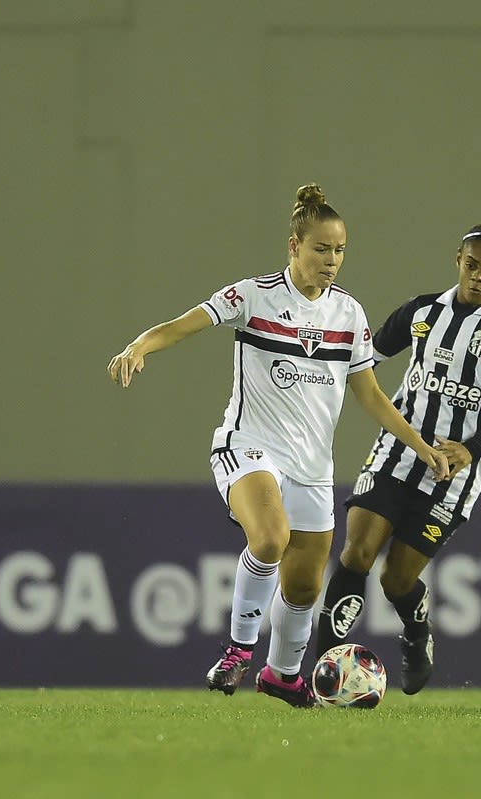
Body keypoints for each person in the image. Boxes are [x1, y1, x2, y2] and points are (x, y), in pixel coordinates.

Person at [106, 184, 449, 708]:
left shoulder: (349, 316)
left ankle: (282, 676)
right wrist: (139, 345)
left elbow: (371, 395)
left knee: (306, 589)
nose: (331, 261)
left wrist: (421, 446)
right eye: (320, 249)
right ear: (294, 246)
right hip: (249, 446)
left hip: (312, 466)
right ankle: (237, 652)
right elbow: (184, 324)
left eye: (339, 251)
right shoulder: (254, 295)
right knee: (269, 538)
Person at [315, 206, 481, 694]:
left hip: (450, 479)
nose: (478, 277)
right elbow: (361, 361)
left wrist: (470, 449)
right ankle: (320, 676)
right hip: (395, 454)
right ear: (458, 258)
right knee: (357, 551)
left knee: (396, 580)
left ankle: (416, 631)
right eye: (471, 265)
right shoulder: (420, 312)